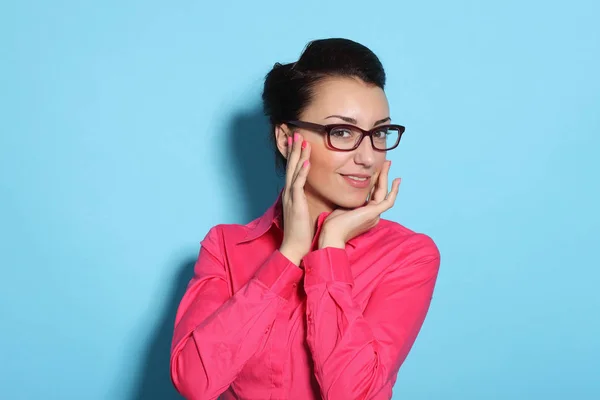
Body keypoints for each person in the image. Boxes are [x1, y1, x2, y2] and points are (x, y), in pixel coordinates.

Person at [170, 38, 441, 400]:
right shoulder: (226, 247)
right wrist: (289, 253)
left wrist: (330, 248)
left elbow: (353, 395)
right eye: (341, 132)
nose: (367, 157)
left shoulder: (408, 256)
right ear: (287, 140)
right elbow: (194, 382)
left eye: (378, 133)